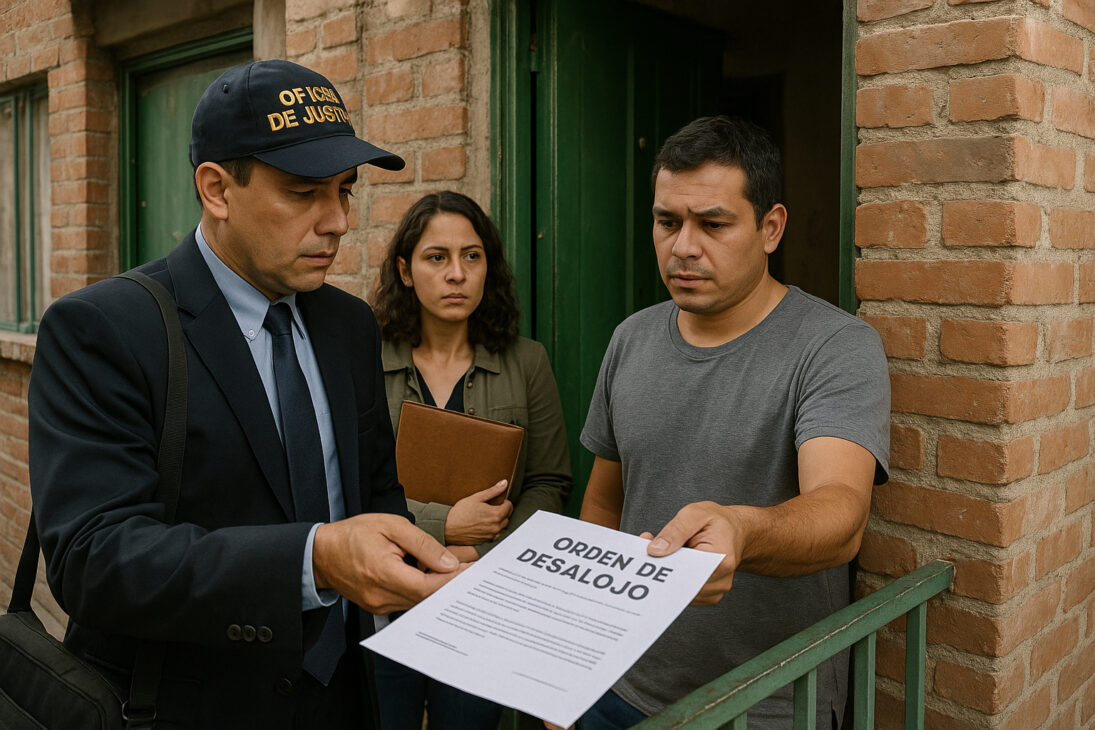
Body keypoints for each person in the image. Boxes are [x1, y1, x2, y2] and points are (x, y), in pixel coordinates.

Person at [27, 59, 463, 729]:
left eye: (345, 191)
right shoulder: (105, 329)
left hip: (344, 699)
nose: (338, 221)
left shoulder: (349, 326)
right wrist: (313, 559)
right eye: (304, 192)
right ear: (217, 190)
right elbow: (94, 561)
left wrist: (426, 564)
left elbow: (374, 490)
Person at [576, 116, 890, 729]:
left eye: (713, 224)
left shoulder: (834, 346)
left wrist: (742, 531)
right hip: (620, 687)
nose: (683, 247)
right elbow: (604, 505)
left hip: (767, 704)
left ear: (771, 228)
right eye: (668, 222)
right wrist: (578, 656)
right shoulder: (630, 338)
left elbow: (841, 513)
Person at [370, 191, 573, 729]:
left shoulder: (527, 362)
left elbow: (549, 481)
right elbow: (348, 482)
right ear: (405, 271)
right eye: (436, 257)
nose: (456, 274)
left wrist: (485, 553)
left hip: (482, 603)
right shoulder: (365, 360)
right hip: (384, 597)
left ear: (489, 267)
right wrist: (443, 526)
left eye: (472, 256)